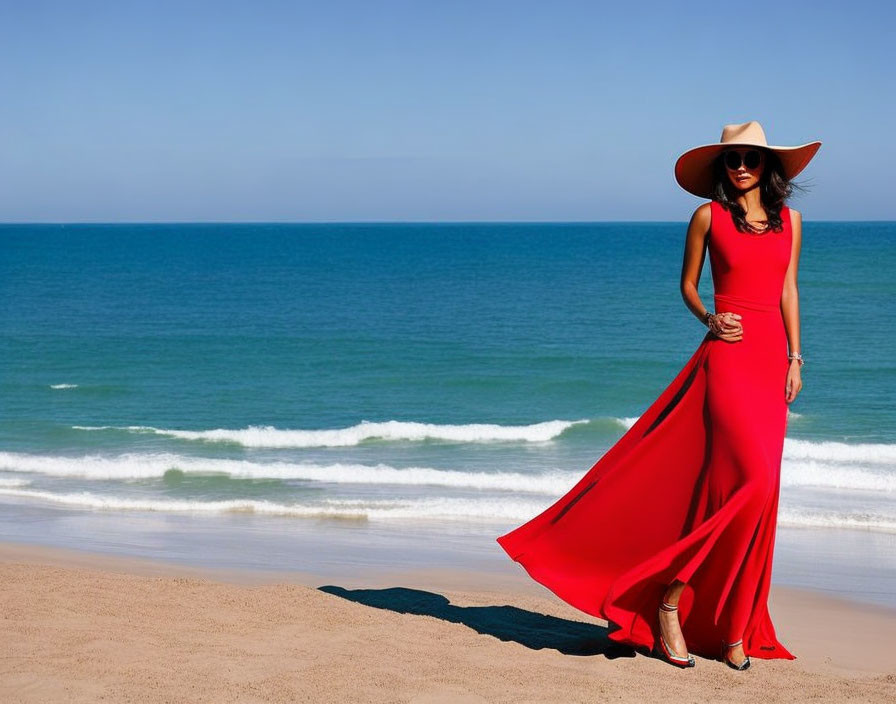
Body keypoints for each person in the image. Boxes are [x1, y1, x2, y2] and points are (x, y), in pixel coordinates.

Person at [496, 120, 821, 670]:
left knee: (761, 498)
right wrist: (709, 318)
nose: (741, 166)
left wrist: (796, 356)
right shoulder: (708, 217)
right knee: (752, 485)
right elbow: (688, 285)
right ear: (722, 168)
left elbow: (789, 289)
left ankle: (734, 631)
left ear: (769, 168)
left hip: (771, 364)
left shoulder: (791, 222)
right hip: (728, 359)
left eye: (751, 158)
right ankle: (669, 595)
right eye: (732, 158)